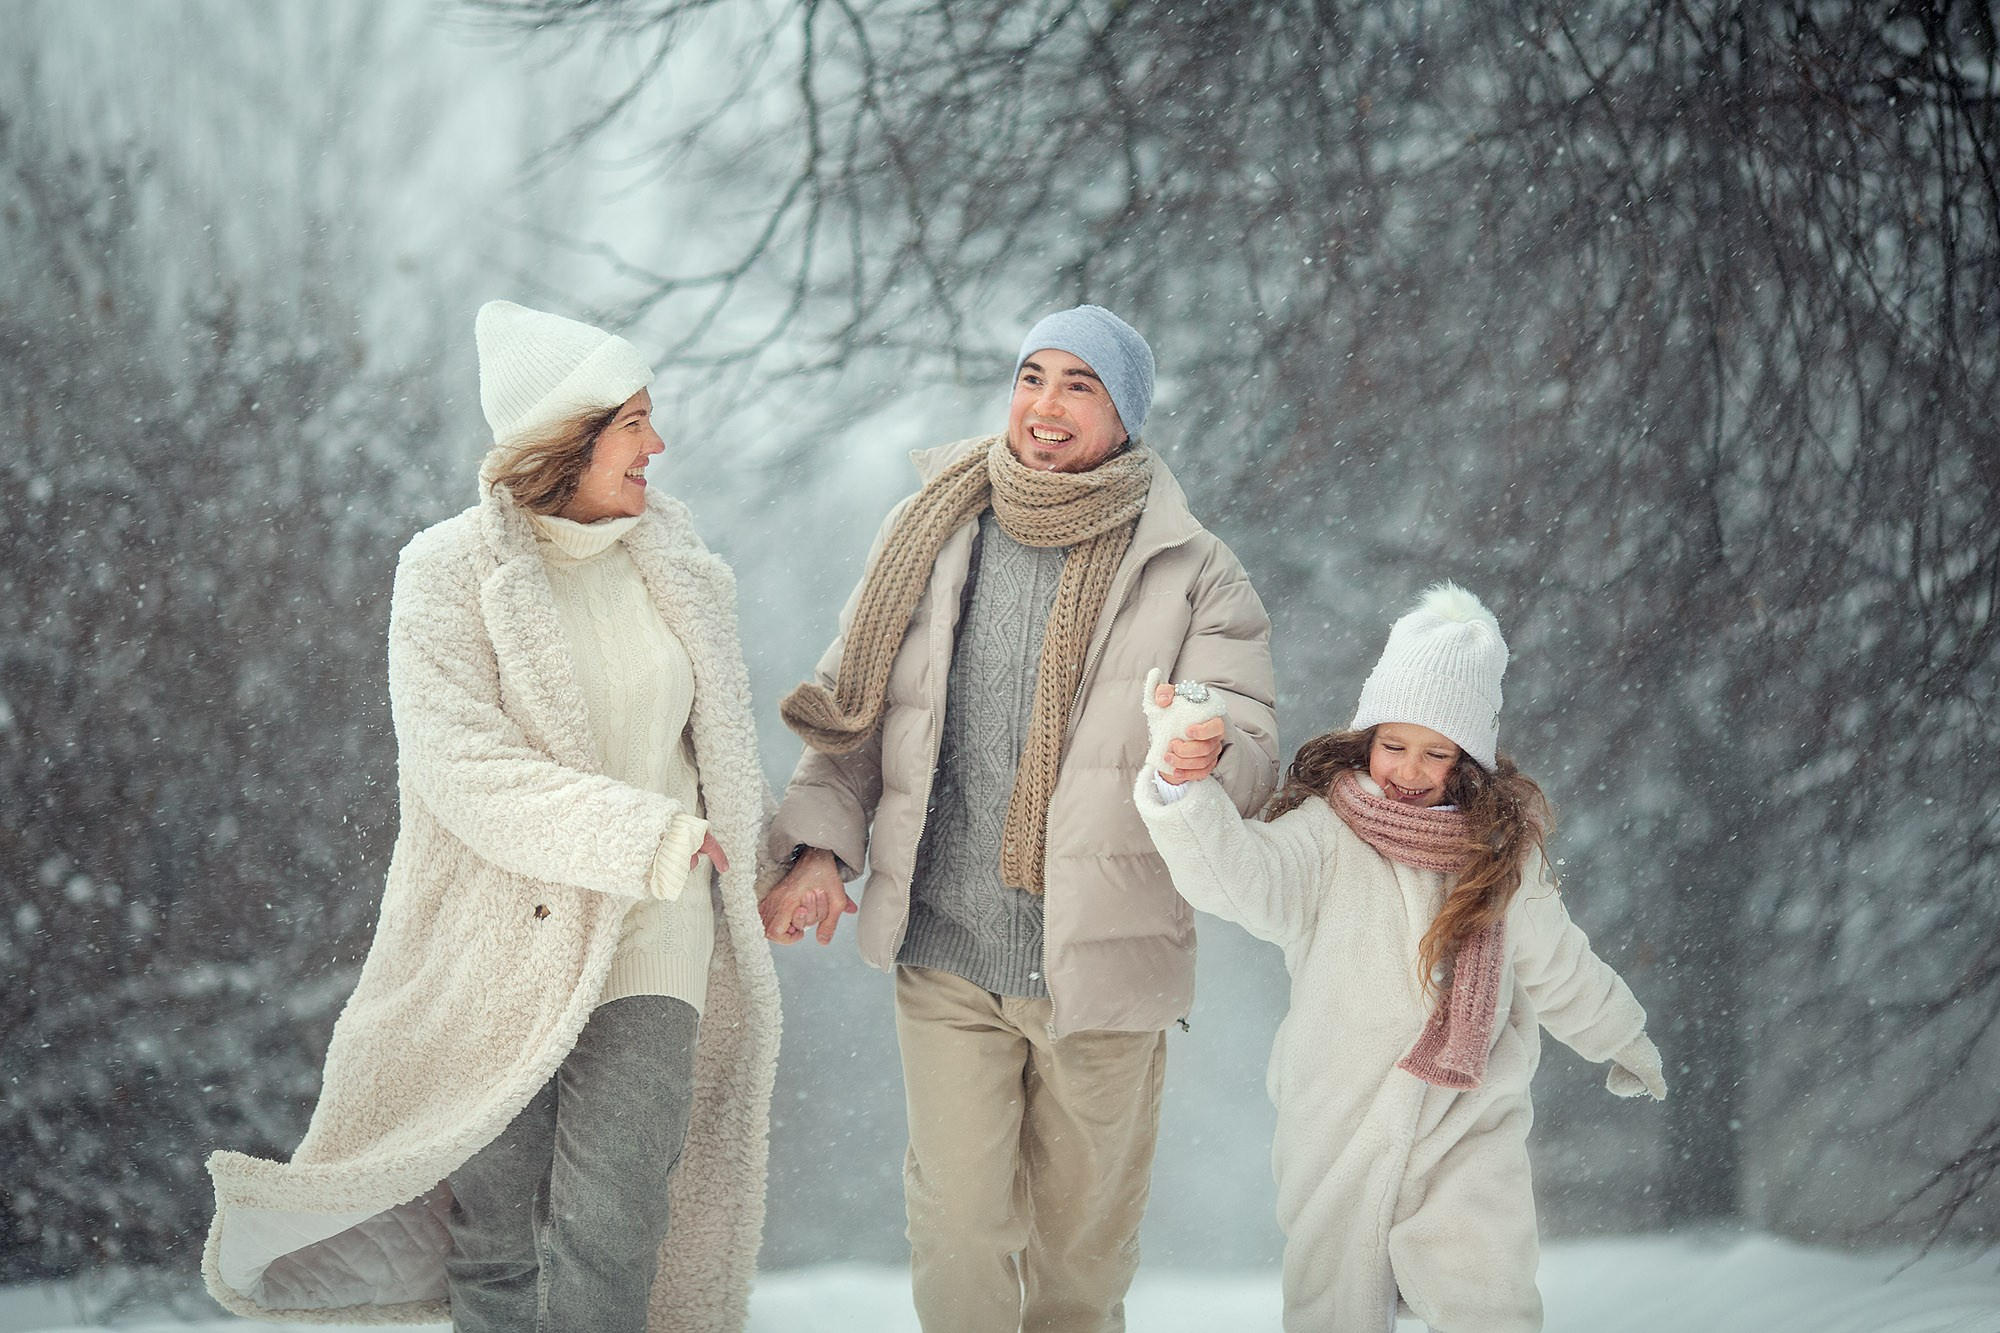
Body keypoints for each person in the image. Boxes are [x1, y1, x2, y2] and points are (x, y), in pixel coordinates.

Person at [202, 301, 781, 1333]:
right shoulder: (447, 571)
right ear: (569, 436)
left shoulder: (682, 569)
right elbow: (463, 766)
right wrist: (639, 835)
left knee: (617, 1224)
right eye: (635, 422)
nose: (659, 444)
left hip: (662, 928)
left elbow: (721, 760)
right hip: (502, 943)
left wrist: (781, 861)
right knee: (493, 1233)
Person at [758, 304, 1280, 1333]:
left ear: (1124, 414)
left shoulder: (1192, 569)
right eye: (1030, 376)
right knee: (958, 1235)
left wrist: (1207, 747)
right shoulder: (934, 531)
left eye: (1078, 385)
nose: (1043, 406)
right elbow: (856, 709)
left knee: (1079, 1267)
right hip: (947, 952)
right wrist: (818, 845)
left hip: (1105, 971)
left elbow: (1251, 741)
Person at [1135, 583, 1667, 1333]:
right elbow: (1242, 877)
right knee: (1335, 1307)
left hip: (1468, 1115)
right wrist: (1181, 789)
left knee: (1487, 1293)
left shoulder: (1503, 858)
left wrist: (1621, 1036)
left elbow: (1559, 963)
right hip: (1340, 1114)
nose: (1409, 770)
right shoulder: (1324, 834)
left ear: (1468, 762)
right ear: (1366, 736)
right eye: (1394, 744)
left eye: (1435, 752)